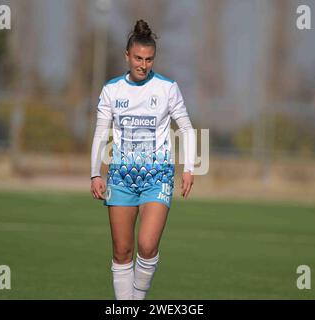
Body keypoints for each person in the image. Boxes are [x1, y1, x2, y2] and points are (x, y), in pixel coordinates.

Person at [90, 19, 196, 300]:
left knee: (147, 245)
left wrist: (189, 168)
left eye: (149, 59)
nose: (143, 64)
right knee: (122, 251)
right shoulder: (112, 90)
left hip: (158, 176)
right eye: (138, 58)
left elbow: (186, 128)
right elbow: (102, 133)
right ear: (127, 56)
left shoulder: (167, 88)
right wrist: (95, 173)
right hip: (120, 177)